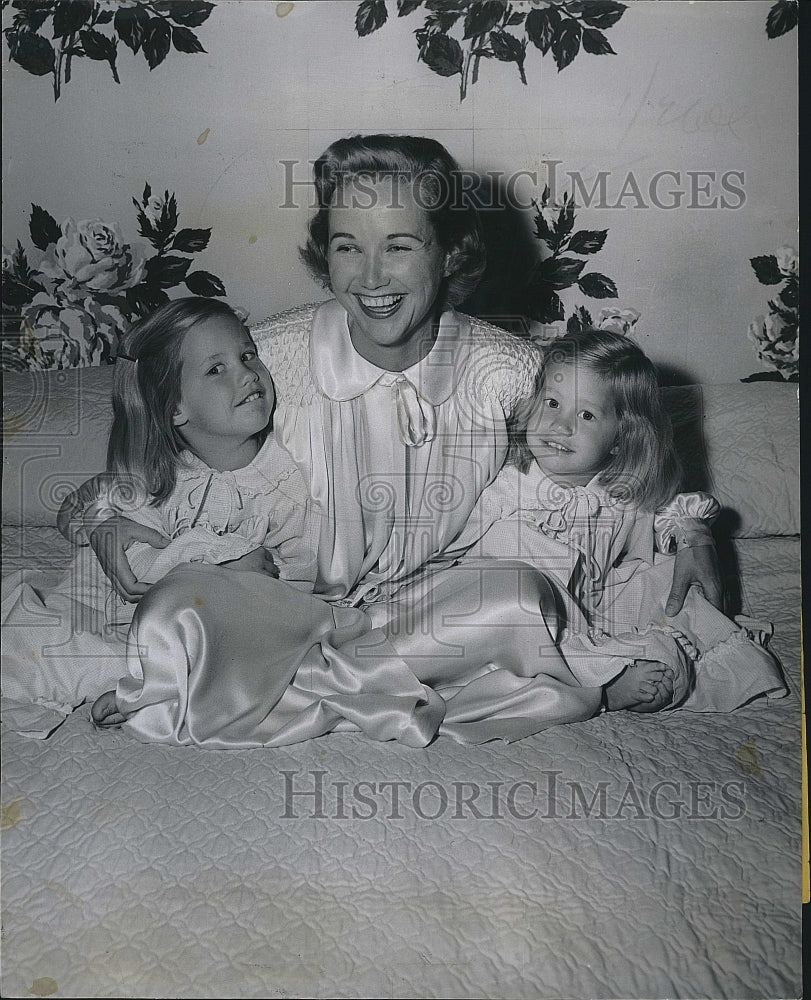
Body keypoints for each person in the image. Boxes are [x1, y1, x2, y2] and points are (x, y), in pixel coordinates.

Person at [56, 135, 723, 748]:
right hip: (286, 609)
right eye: (348, 246)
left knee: (521, 597)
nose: (370, 278)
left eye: (399, 246)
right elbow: (147, 449)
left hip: (428, 614)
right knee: (184, 601)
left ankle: (287, 683)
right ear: (326, 253)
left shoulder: (507, 370)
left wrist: (687, 531)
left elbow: (613, 440)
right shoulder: (274, 357)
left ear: (449, 252)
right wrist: (107, 523)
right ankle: (377, 679)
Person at [444, 327, 786, 730]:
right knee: (514, 551)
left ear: (622, 438)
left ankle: (655, 661)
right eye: (551, 403)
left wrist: (695, 531)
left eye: (586, 415)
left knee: (664, 580)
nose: (559, 424)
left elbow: (672, 511)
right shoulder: (508, 484)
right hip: (520, 620)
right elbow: (452, 548)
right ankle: (601, 686)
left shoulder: (620, 492)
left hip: (591, 606)